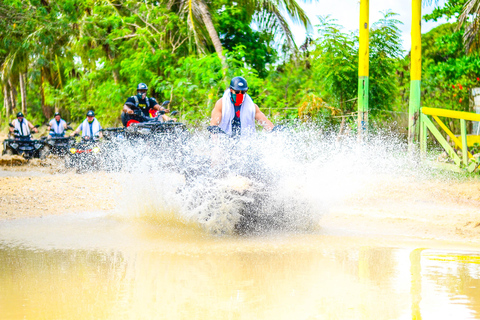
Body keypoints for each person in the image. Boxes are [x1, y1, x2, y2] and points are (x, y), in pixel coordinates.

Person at [209, 76, 273, 137]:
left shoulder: (251, 107)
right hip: (224, 138)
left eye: (242, 92)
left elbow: (265, 122)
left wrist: (274, 130)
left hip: (242, 141)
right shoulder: (221, 104)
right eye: (237, 92)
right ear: (231, 90)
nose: (240, 94)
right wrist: (215, 146)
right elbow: (213, 126)